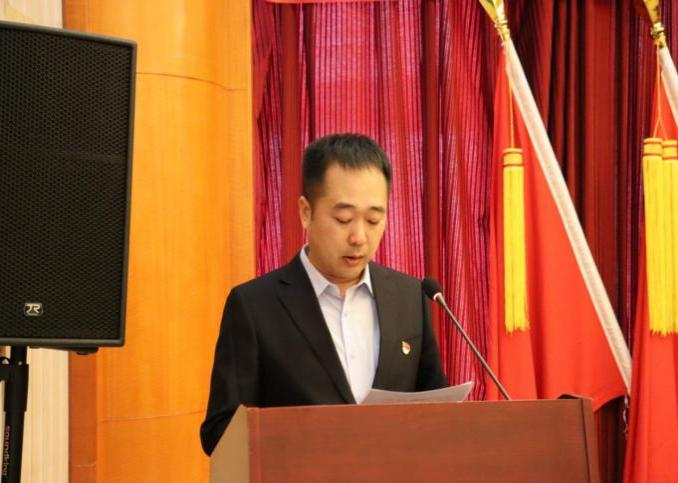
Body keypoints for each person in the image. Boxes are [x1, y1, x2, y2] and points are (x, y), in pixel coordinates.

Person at [200, 133, 447, 455]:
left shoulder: (410, 296)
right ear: (306, 212)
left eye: (374, 219)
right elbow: (220, 432)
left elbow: (437, 407)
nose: (359, 237)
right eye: (343, 219)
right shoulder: (254, 307)